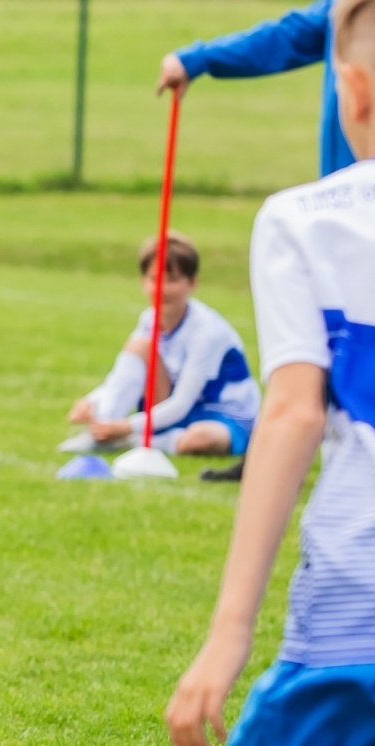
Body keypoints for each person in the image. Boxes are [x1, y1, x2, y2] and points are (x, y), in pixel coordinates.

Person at [162, 1, 375, 746]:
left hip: (351, 619)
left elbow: (291, 414)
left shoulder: (308, 219)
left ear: (353, 89)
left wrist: (226, 635)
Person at [158, 0, 347, 481]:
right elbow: (284, 38)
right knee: (322, 336)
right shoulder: (340, 11)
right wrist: (197, 60)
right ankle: (275, 452)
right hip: (343, 212)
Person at [57, 233, 259, 458]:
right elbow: (121, 377)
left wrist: (127, 427)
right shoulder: (149, 319)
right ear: (143, 281)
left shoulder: (207, 332)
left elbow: (181, 403)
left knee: (200, 439)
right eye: (154, 279)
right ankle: (101, 429)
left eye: (171, 280)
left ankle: (130, 441)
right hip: (178, 408)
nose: (161, 289)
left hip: (226, 414)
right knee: (139, 347)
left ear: (192, 283)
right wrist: (91, 402)